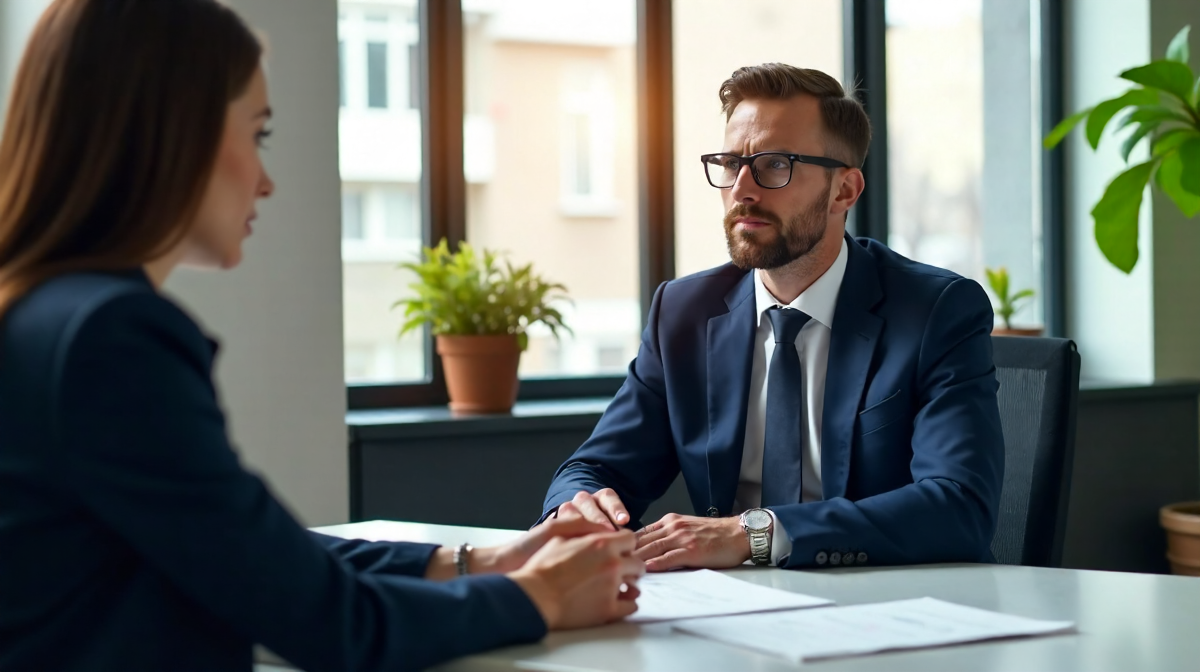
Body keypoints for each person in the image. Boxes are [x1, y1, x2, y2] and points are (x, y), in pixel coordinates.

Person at [0, 1, 642, 671]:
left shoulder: (41, 316)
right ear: (176, 131)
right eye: (258, 133)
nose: (267, 179)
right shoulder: (111, 339)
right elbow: (330, 624)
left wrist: (477, 561)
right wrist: (535, 596)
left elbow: (249, 551)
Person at [540, 63, 1004, 573]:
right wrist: (579, 504)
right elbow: (597, 466)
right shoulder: (684, 313)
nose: (742, 189)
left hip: (887, 605)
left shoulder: (936, 311)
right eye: (730, 163)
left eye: (774, 165)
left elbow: (959, 506)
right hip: (728, 610)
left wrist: (751, 533)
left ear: (844, 191)